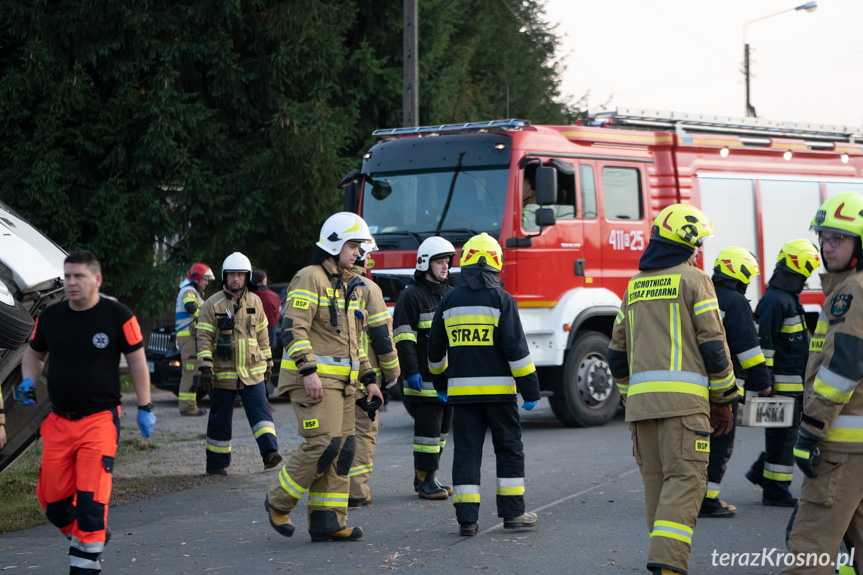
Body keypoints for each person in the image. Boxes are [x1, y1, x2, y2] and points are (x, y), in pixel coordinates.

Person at [607, 204, 737, 575]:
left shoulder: (635, 286)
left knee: (657, 484)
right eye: (699, 245)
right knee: (684, 483)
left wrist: (631, 398)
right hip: (686, 409)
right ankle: (668, 566)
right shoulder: (695, 281)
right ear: (688, 243)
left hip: (641, 411)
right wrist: (725, 399)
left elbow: (616, 354)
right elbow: (714, 345)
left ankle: (662, 559)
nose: (700, 252)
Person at [17, 249, 155, 575]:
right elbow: (34, 356)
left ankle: (85, 564)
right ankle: (88, 535)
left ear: (97, 279)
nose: (71, 283)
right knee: (52, 503)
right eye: (67, 276)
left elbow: (137, 360)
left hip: (99, 422)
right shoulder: (51, 317)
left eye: (78, 276)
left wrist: (145, 405)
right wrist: (27, 380)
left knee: (92, 501)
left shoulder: (118, 315)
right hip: (58, 422)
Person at [265, 212, 381, 542]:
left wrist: (369, 378)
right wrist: (309, 371)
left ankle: (327, 520)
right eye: (354, 246)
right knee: (322, 444)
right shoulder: (309, 278)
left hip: (344, 384)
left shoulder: (349, 286)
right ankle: (277, 501)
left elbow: (354, 341)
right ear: (334, 243)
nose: (358, 253)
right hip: (313, 381)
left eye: (359, 247)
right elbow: (293, 328)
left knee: (342, 449)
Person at [427, 232, 541, 536]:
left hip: (462, 397)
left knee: (466, 452)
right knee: (508, 450)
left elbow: (435, 351)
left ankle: (467, 520)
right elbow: (516, 352)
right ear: (495, 264)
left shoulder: (448, 300)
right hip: (500, 396)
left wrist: (440, 383)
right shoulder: (502, 300)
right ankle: (513, 514)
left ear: (464, 265)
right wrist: (530, 391)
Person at [782, 192, 863, 575]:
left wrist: (811, 430)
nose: (826, 248)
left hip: (840, 447)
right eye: (824, 238)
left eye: (838, 239)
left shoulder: (851, 291)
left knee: (809, 549)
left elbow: (841, 368)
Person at [745, 239, 820, 507]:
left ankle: (761, 473)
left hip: (792, 385)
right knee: (783, 437)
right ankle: (775, 489)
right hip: (781, 387)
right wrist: (764, 383)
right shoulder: (777, 300)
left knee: (785, 436)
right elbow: (764, 346)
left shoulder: (785, 297)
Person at [700, 247, 773, 518]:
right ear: (740, 274)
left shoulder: (702, 293)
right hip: (725, 387)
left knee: (696, 444)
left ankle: (690, 497)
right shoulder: (736, 301)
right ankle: (708, 499)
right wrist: (763, 381)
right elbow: (747, 347)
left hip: (694, 385)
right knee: (720, 443)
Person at [196, 252, 280, 476]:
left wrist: (269, 362)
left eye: (240, 274)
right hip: (222, 375)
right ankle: (216, 465)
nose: (236, 279)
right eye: (231, 274)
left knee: (261, 415)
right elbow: (203, 338)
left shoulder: (256, 302)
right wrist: (205, 367)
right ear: (224, 277)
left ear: (247, 277)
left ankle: (270, 453)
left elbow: (263, 336)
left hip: (252, 372)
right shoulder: (211, 305)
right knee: (219, 421)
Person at [393, 236, 456, 500]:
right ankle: (425, 479)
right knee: (427, 434)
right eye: (440, 261)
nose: (445, 267)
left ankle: (428, 477)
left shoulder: (450, 294)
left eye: (447, 261)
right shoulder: (411, 296)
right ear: (425, 264)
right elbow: (404, 337)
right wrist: (412, 372)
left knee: (441, 433)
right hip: (424, 378)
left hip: (448, 378)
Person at [347, 240, 400, 508]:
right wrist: (392, 371)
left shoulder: (327, 284)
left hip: (335, 376)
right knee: (364, 433)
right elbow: (381, 335)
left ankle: (334, 489)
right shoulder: (368, 288)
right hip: (365, 378)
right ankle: (356, 491)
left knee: (338, 433)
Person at [176, 262, 214, 416]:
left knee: (194, 371)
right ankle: (188, 408)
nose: (206, 283)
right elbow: (190, 307)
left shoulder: (193, 291)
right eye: (205, 279)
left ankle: (190, 406)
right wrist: (205, 318)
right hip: (188, 338)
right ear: (197, 278)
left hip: (191, 337)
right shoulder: (189, 291)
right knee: (191, 370)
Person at [252, 269, 281, 355]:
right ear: (264, 281)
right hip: (269, 335)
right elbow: (277, 315)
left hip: (250, 335)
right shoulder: (273, 296)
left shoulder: (246, 296)